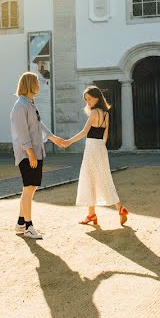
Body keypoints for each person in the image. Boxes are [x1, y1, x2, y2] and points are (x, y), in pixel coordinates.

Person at [10, 71, 67, 239]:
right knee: (29, 189)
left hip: (35, 152)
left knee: (30, 188)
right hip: (28, 155)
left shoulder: (30, 104)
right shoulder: (20, 106)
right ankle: (28, 226)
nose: (39, 85)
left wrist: (54, 138)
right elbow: (22, 134)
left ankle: (20, 223)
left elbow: (39, 125)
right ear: (29, 84)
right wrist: (30, 154)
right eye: (36, 82)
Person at [61, 86, 129, 226]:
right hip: (100, 148)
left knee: (89, 179)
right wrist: (101, 149)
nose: (88, 102)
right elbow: (105, 135)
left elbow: (85, 132)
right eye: (86, 100)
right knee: (104, 178)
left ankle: (93, 214)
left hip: (92, 147)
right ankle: (114, 209)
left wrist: (69, 142)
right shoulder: (106, 113)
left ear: (97, 97)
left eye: (90, 99)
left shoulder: (94, 113)